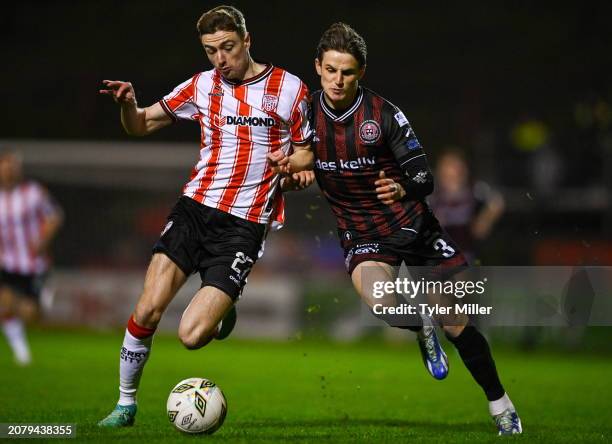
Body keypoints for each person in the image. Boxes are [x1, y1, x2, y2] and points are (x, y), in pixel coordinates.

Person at [283, 23, 521, 435]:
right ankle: (419, 325)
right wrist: (292, 174)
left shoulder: (384, 114)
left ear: (361, 73)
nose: (338, 80)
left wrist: (401, 185)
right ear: (318, 67)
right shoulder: (302, 115)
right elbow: (298, 160)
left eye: (348, 72)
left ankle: (501, 404)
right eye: (331, 70)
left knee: (455, 320)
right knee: (383, 303)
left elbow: (425, 179)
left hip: (413, 227)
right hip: (362, 234)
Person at [97, 5, 313, 427]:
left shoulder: (289, 88)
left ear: (247, 41)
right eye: (211, 50)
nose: (220, 59)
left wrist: (294, 164)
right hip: (194, 209)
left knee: (192, 337)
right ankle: (125, 405)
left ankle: (221, 308)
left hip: (243, 225)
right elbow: (139, 125)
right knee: (147, 310)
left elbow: (307, 147)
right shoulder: (201, 86)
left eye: (228, 48)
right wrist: (129, 105)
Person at [0, 149, 63, 365]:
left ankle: (43, 299)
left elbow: (55, 215)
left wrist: (42, 241)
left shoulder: (34, 192)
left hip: (35, 263)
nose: (7, 171)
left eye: (11, 167)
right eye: (4, 167)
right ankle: (21, 352)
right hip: (8, 262)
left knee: (31, 314)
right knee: (5, 304)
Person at [429, 148, 505, 263]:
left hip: (465, 247)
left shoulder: (473, 189)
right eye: (447, 172)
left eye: (456, 170)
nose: (452, 177)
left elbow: (497, 201)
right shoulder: (434, 193)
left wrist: (485, 221)